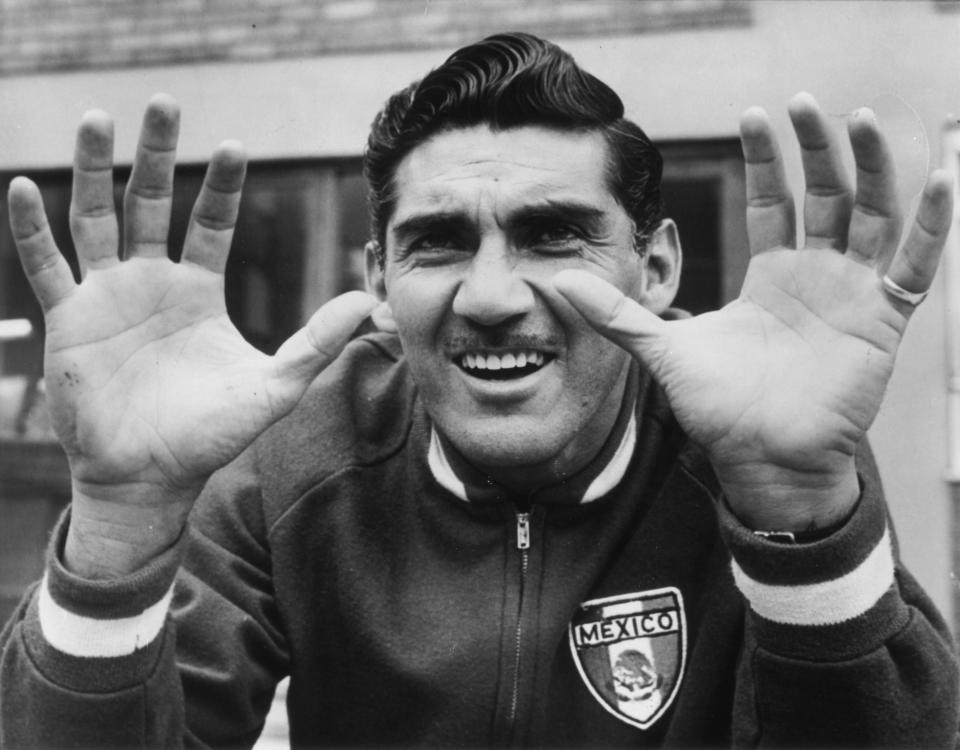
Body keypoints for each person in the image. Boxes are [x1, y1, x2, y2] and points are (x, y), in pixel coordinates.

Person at [0, 31, 957, 748]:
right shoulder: (291, 455)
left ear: (656, 270)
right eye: (439, 241)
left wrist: (802, 510)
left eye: (555, 235)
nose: (492, 297)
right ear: (378, 279)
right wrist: (117, 527)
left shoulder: (751, 437)